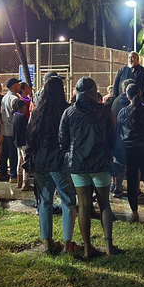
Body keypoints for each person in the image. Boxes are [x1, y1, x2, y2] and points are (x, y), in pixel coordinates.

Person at [59, 77, 120, 258]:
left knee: (83, 206)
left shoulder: (69, 113)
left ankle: (87, 249)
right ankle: (109, 246)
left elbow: (62, 140)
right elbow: (113, 137)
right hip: (101, 164)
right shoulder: (105, 111)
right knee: (105, 205)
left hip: (78, 165)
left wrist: (71, 154)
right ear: (94, 92)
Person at [27, 76, 77, 254]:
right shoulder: (66, 110)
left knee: (45, 201)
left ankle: (47, 241)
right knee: (68, 200)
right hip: (59, 162)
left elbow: (30, 136)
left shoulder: (37, 112)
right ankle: (68, 243)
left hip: (41, 161)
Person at [117, 83, 144, 223]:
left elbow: (119, 132)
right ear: (140, 92)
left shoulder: (123, 112)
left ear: (127, 96)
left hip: (130, 151)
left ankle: (134, 212)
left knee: (131, 182)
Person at [0, 78, 21, 183]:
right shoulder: (14, 99)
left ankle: (3, 173)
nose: (19, 86)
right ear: (13, 86)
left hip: (5, 128)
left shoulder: (5, 97)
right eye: (17, 84)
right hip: (12, 129)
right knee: (13, 152)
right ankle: (13, 175)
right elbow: (15, 111)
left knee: (5, 152)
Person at [12, 99, 31, 191]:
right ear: (20, 108)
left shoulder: (15, 116)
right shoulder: (22, 118)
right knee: (26, 163)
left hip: (17, 142)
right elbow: (27, 130)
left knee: (20, 162)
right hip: (24, 142)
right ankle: (25, 183)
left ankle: (19, 182)